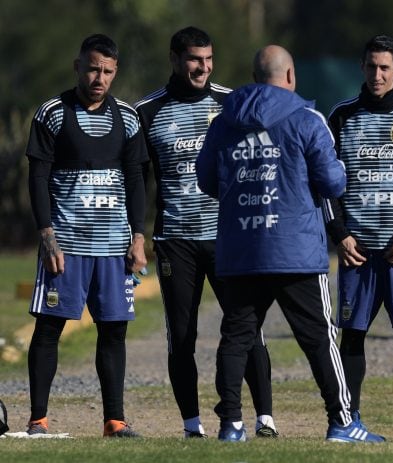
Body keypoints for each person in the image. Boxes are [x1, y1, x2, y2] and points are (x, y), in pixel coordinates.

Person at [196, 44, 384, 443]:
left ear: (253, 76)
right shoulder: (306, 119)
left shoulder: (223, 121)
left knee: (236, 338)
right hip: (296, 250)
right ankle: (342, 421)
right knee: (319, 341)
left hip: (241, 249)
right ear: (291, 76)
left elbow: (207, 181)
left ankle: (230, 424)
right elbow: (332, 183)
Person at [134, 26, 276, 439]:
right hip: (175, 240)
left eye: (209, 59)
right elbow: (139, 182)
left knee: (247, 327)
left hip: (230, 236)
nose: (204, 67)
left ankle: (265, 417)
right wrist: (137, 236)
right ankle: (191, 424)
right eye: (195, 59)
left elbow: (259, 165)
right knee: (182, 336)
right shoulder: (147, 111)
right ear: (175, 59)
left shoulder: (233, 103)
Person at [25, 34, 147, 438]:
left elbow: (135, 180)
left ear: (116, 72)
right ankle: (38, 419)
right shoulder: (52, 113)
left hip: (114, 249)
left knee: (113, 331)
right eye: (93, 68)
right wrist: (47, 235)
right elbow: (38, 176)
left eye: (108, 71)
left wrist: (138, 236)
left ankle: (114, 420)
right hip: (67, 247)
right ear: (78, 66)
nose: (100, 77)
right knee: (49, 329)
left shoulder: (128, 118)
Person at [324, 35, 393, 440]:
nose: (377, 74)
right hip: (358, 249)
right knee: (352, 335)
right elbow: (326, 183)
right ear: (362, 67)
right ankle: (348, 418)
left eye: (385, 67)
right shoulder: (341, 116)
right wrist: (340, 234)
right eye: (371, 66)